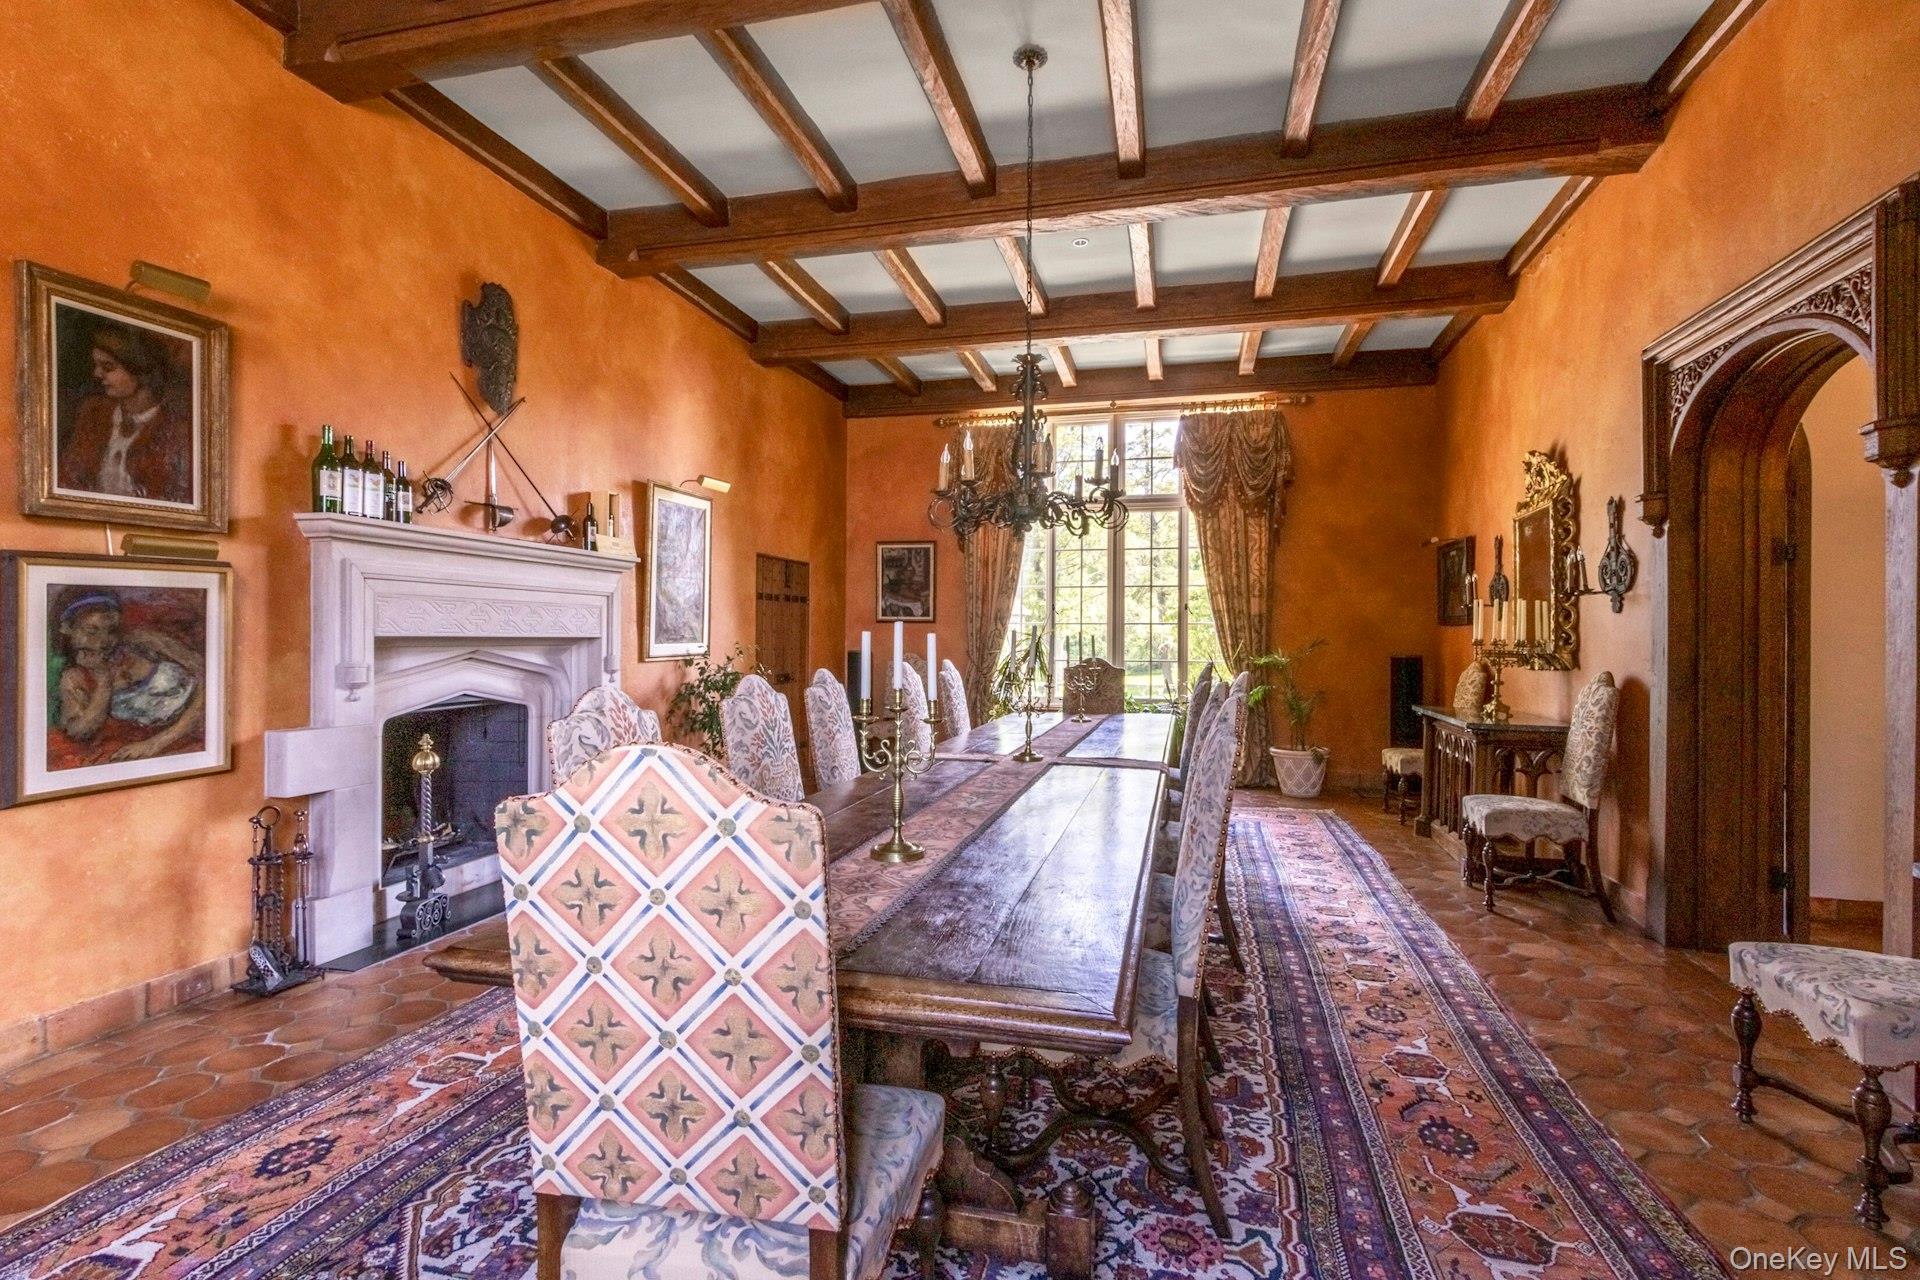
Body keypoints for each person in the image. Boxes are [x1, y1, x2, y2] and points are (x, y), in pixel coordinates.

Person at [51, 593, 204, 767]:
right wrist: (103, 680)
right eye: (91, 631)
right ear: (67, 628)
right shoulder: (74, 678)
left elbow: (208, 675)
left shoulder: (143, 643)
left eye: (111, 631)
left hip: (196, 733)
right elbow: (79, 732)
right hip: (156, 755)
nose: (103, 641)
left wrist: (156, 743)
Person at [57, 323, 192, 503]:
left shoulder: (175, 428)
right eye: (97, 365)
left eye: (108, 367)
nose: (97, 374)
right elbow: (67, 477)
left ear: (140, 370)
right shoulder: (94, 412)